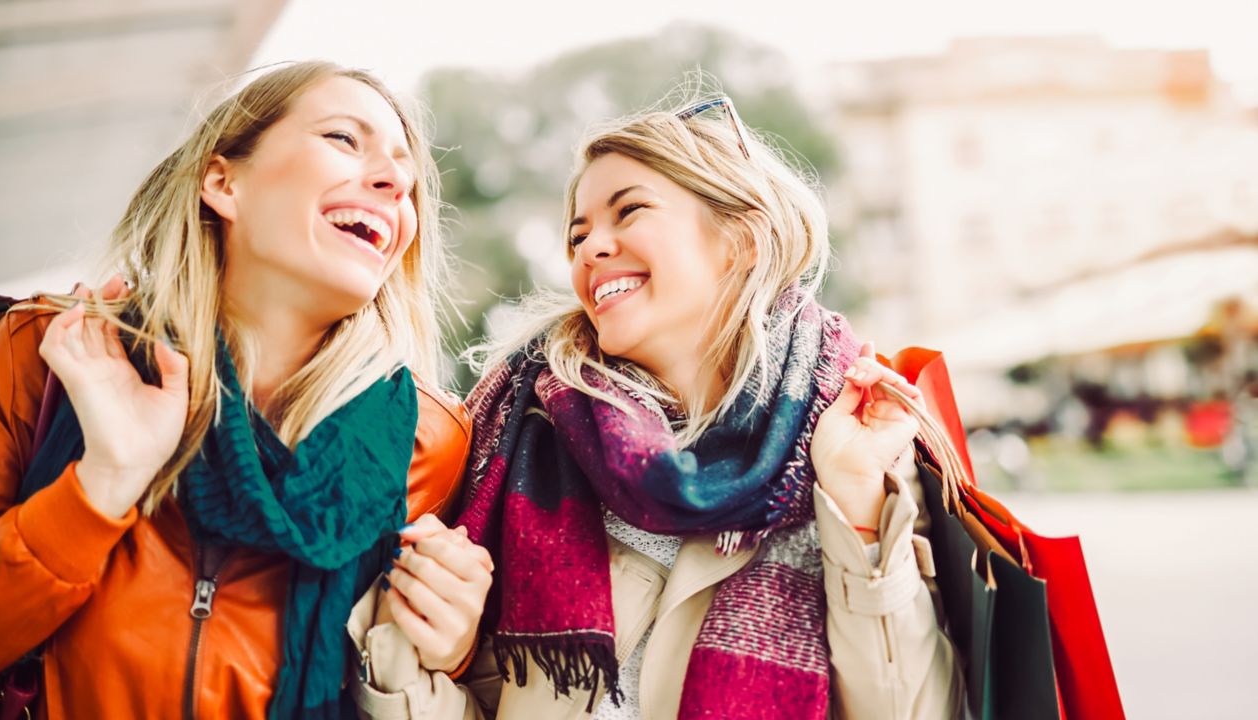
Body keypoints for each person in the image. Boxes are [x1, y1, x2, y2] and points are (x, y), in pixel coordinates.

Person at [349, 92, 963, 719]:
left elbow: (914, 709)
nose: (590, 249)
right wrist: (423, 649)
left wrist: (855, 501)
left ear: (743, 240)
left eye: (629, 212)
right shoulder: (519, 435)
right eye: (578, 234)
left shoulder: (855, 435)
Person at [0, 61, 491, 719]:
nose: (395, 180)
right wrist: (101, 485)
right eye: (344, 138)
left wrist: (448, 643)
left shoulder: (430, 440)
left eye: (404, 175)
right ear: (223, 181)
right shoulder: (43, 354)